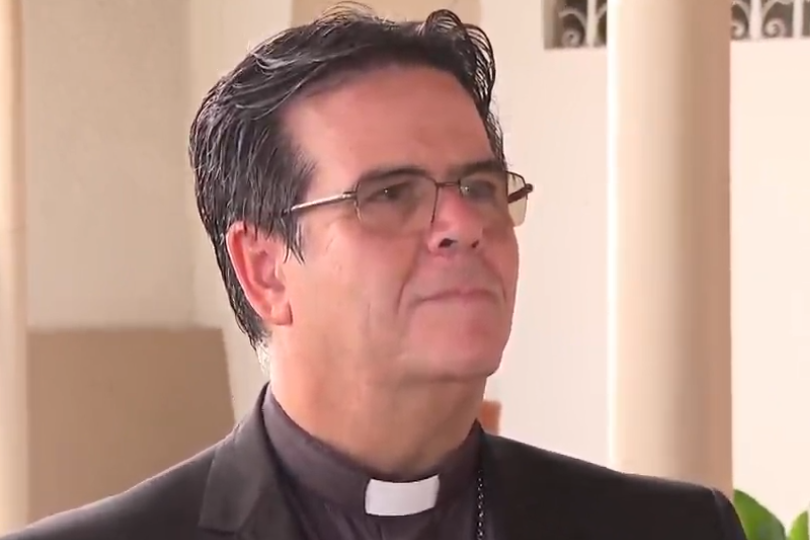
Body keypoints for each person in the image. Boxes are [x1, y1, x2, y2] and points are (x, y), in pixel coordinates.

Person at [2, 5, 746, 540]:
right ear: (265, 270)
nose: (462, 224)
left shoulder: (670, 528)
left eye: (481, 186)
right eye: (390, 195)